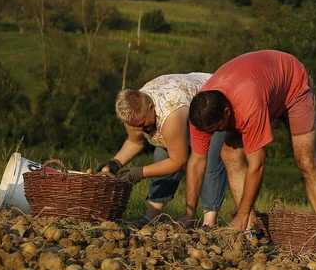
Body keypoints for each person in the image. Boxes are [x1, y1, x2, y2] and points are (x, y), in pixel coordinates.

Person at [186, 50, 316, 231]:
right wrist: (189, 214)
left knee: (305, 160)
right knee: (229, 155)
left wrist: (242, 213)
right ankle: (251, 229)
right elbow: (197, 161)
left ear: (227, 113)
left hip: (293, 84)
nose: (213, 134)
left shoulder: (248, 105)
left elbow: (257, 164)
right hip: (260, 86)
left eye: (217, 129)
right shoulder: (200, 112)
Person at [98, 73, 228, 226]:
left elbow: (179, 161)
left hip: (212, 100)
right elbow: (135, 142)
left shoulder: (170, 115)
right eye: (136, 126)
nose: (140, 129)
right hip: (183, 108)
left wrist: (140, 173)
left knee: (210, 159)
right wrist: (115, 162)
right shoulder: (133, 114)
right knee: (161, 157)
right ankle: (151, 218)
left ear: (151, 107)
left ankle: (208, 223)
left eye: (143, 124)